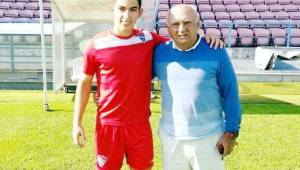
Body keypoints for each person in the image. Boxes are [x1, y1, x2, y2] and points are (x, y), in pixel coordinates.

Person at [72, 0, 224, 169]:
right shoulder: (96, 44)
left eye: (132, 9)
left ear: (140, 12)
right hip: (108, 125)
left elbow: (179, 41)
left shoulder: (147, 38)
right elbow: (84, 82)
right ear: (112, 10)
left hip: (140, 126)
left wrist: (203, 38)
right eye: (121, 9)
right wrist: (76, 123)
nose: (126, 15)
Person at [153, 4, 242, 170]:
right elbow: (135, 79)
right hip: (171, 139)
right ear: (167, 28)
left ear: (198, 25)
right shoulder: (159, 53)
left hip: (210, 140)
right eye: (175, 24)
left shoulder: (215, 50)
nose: (182, 29)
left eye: (187, 23)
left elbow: (230, 93)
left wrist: (231, 132)